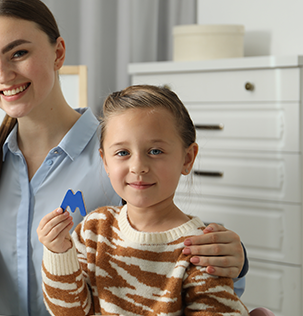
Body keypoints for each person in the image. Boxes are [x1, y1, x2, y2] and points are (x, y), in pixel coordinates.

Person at [0, 1, 248, 315]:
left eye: (19, 53)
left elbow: (176, 256)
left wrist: (233, 257)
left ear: (58, 52)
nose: (3, 75)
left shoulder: (121, 159)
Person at [37, 85, 249, 315]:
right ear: (105, 162)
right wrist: (59, 253)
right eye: (122, 153)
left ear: (187, 159)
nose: (138, 167)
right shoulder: (93, 229)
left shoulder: (199, 248)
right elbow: (71, 312)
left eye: (155, 151)